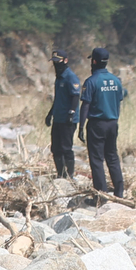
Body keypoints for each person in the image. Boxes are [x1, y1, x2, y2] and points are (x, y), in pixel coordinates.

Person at [77, 47, 127, 198]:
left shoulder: (91, 81)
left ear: (93, 61)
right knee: (112, 156)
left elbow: (85, 105)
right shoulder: (116, 81)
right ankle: (119, 192)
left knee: (97, 159)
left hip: (97, 124)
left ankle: (101, 195)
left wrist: (80, 127)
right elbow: (118, 100)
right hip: (113, 123)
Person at [44, 50, 80, 179]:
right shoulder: (58, 78)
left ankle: (69, 175)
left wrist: (71, 113)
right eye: (54, 63)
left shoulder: (70, 77)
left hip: (68, 120)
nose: (56, 65)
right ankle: (61, 174)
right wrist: (50, 114)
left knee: (66, 148)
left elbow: (75, 96)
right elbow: (58, 99)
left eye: (58, 62)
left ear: (65, 61)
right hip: (58, 118)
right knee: (55, 148)